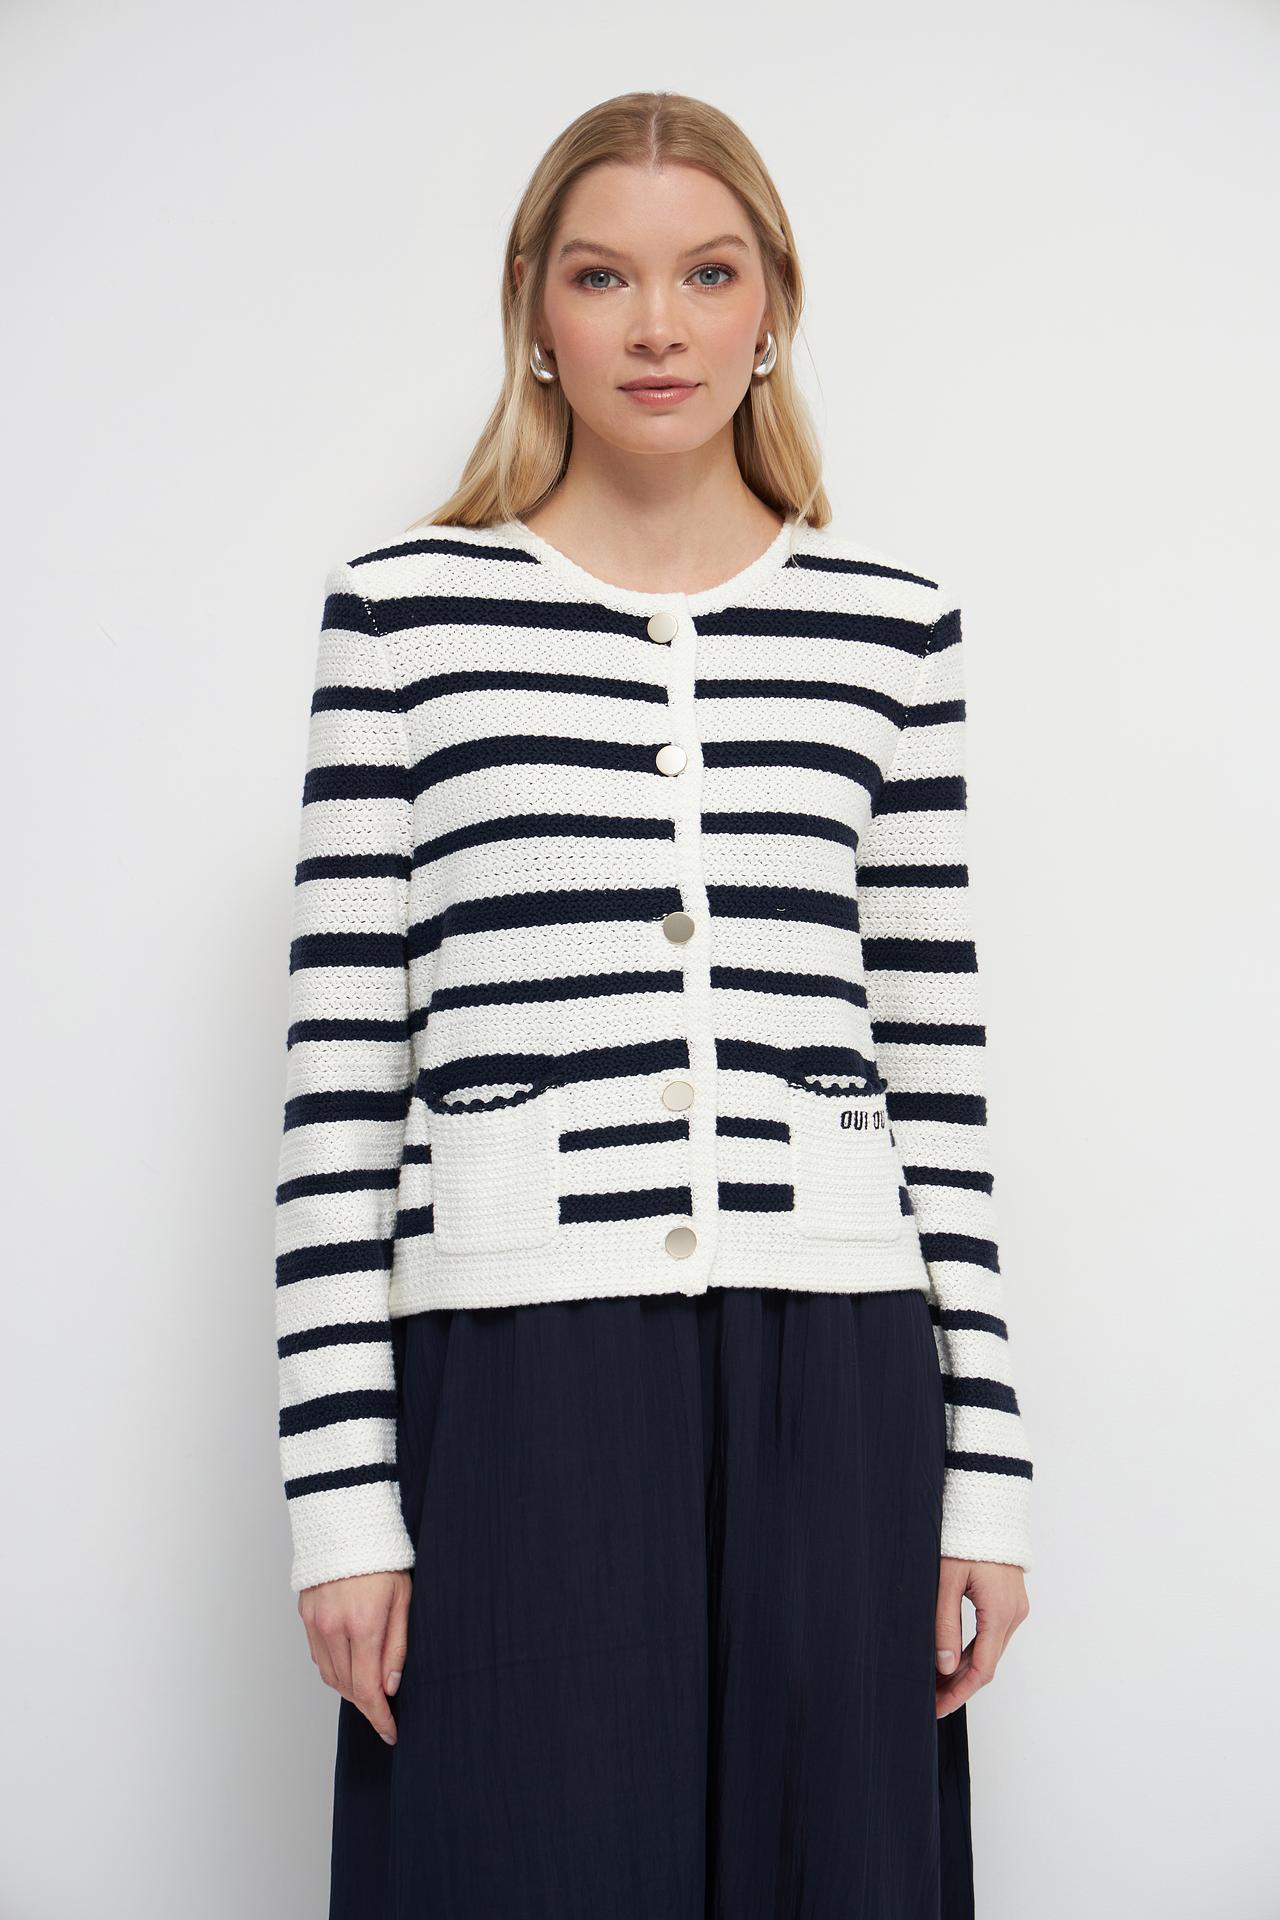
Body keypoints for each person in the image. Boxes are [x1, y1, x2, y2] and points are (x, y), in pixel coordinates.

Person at [273, 88, 1033, 1920]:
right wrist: (343, 1505)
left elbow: (934, 1066)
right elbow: (336, 1094)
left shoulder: (891, 626)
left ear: (774, 306)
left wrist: (987, 1481)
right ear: (535, 310)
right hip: (516, 1384)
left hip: (835, 1379)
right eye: (602, 275)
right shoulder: (403, 618)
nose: (659, 326)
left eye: (708, 273)